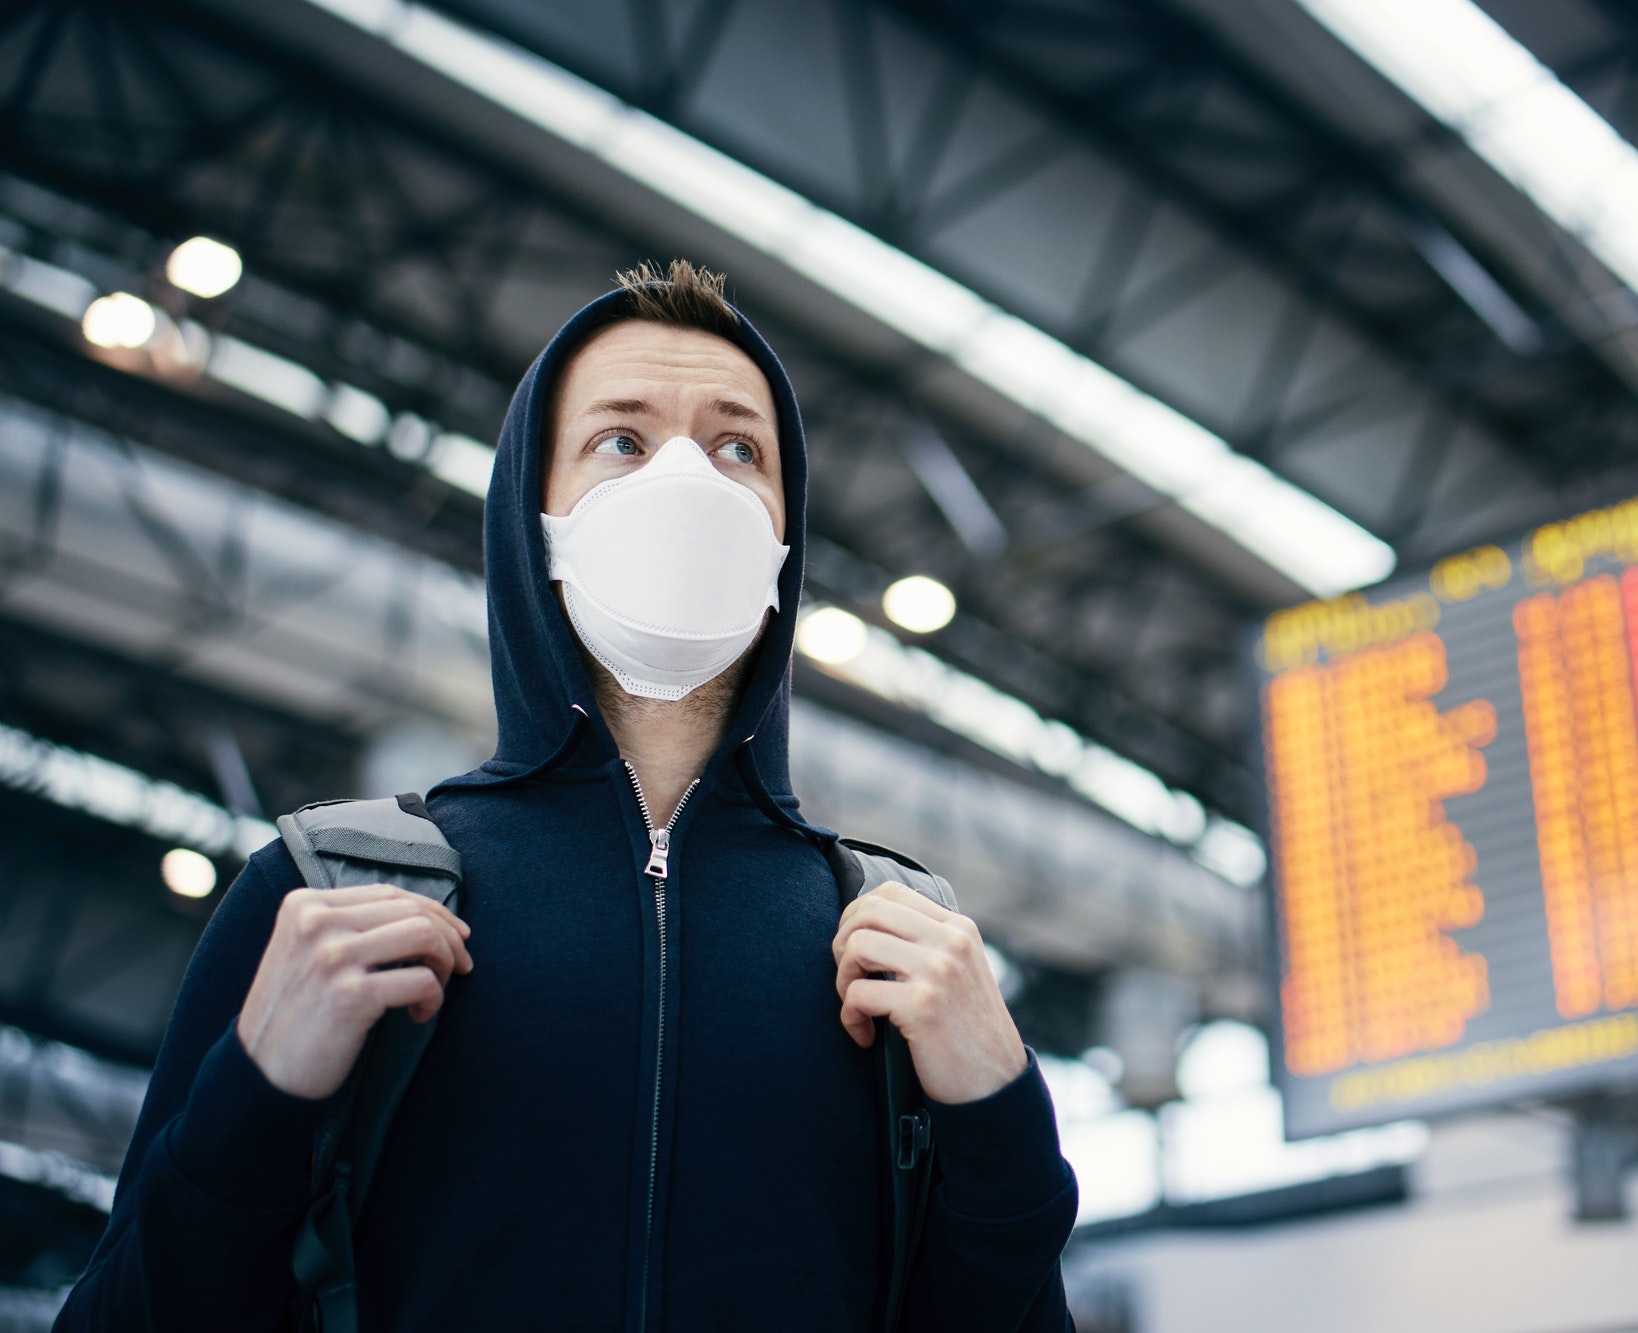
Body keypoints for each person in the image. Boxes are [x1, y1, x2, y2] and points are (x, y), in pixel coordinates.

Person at [56, 262, 1078, 1331]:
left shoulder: (894, 942)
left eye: (738, 447)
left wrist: (1003, 1116)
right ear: (531, 516)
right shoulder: (321, 895)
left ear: (784, 538)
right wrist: (253, 1095)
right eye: (621, 442)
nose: (687, 480)